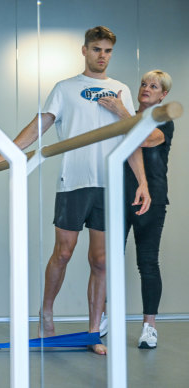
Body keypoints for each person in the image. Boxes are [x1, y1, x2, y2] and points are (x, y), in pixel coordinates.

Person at [0, 26, 151, 355]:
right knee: (64, 253)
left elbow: (131, 138)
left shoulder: (120, 90)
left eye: (108, 51)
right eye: (97, 49)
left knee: (100, 261)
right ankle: (46, 315)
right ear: (84, 51)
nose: (102, 56)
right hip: (73, 183)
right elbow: (38, 127)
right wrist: (2, 155)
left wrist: (142, 181)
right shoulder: (65, 88)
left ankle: (91, 333)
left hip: (107, 184)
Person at [98, 70, 173, 349]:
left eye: (153, 86)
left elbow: (143, 139)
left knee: (148, 263)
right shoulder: (125, 115)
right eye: (143, 83)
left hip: (151, 200)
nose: (146, 88)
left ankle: (149, 327)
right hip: (118, 196)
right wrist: (121, 112)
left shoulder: (163, 119)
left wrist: (121, 111)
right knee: (106, 260)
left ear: (163, 94)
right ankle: (103, 315)